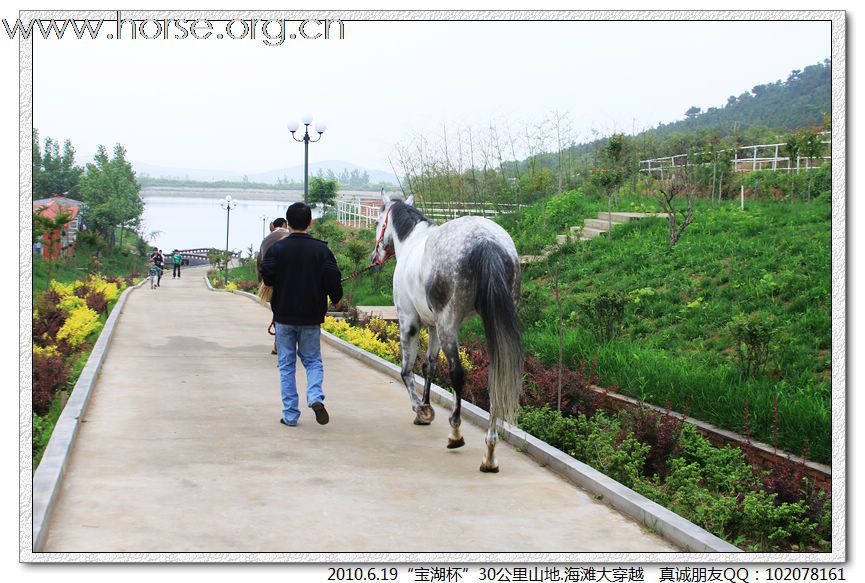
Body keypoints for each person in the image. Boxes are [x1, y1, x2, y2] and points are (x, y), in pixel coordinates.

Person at [261, 202, 343, 427]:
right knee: (313, 361)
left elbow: (267, 276)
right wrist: (336, 298)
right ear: (309, 222)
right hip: (310, 317)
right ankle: (315, 396)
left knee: (286, 365)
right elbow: (333, 279)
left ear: (288, 223)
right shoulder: (321, 250)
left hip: (284, 316)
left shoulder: (277, 249)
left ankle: (290, 415)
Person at [257, 218, 290, 355]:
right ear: (285, 225)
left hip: (273, 283)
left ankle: (279, 342)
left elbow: (261, 268)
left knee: (278, 309)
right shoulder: (291, 237)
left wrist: (264, 282)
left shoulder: (267, 240)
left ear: (272, 227)